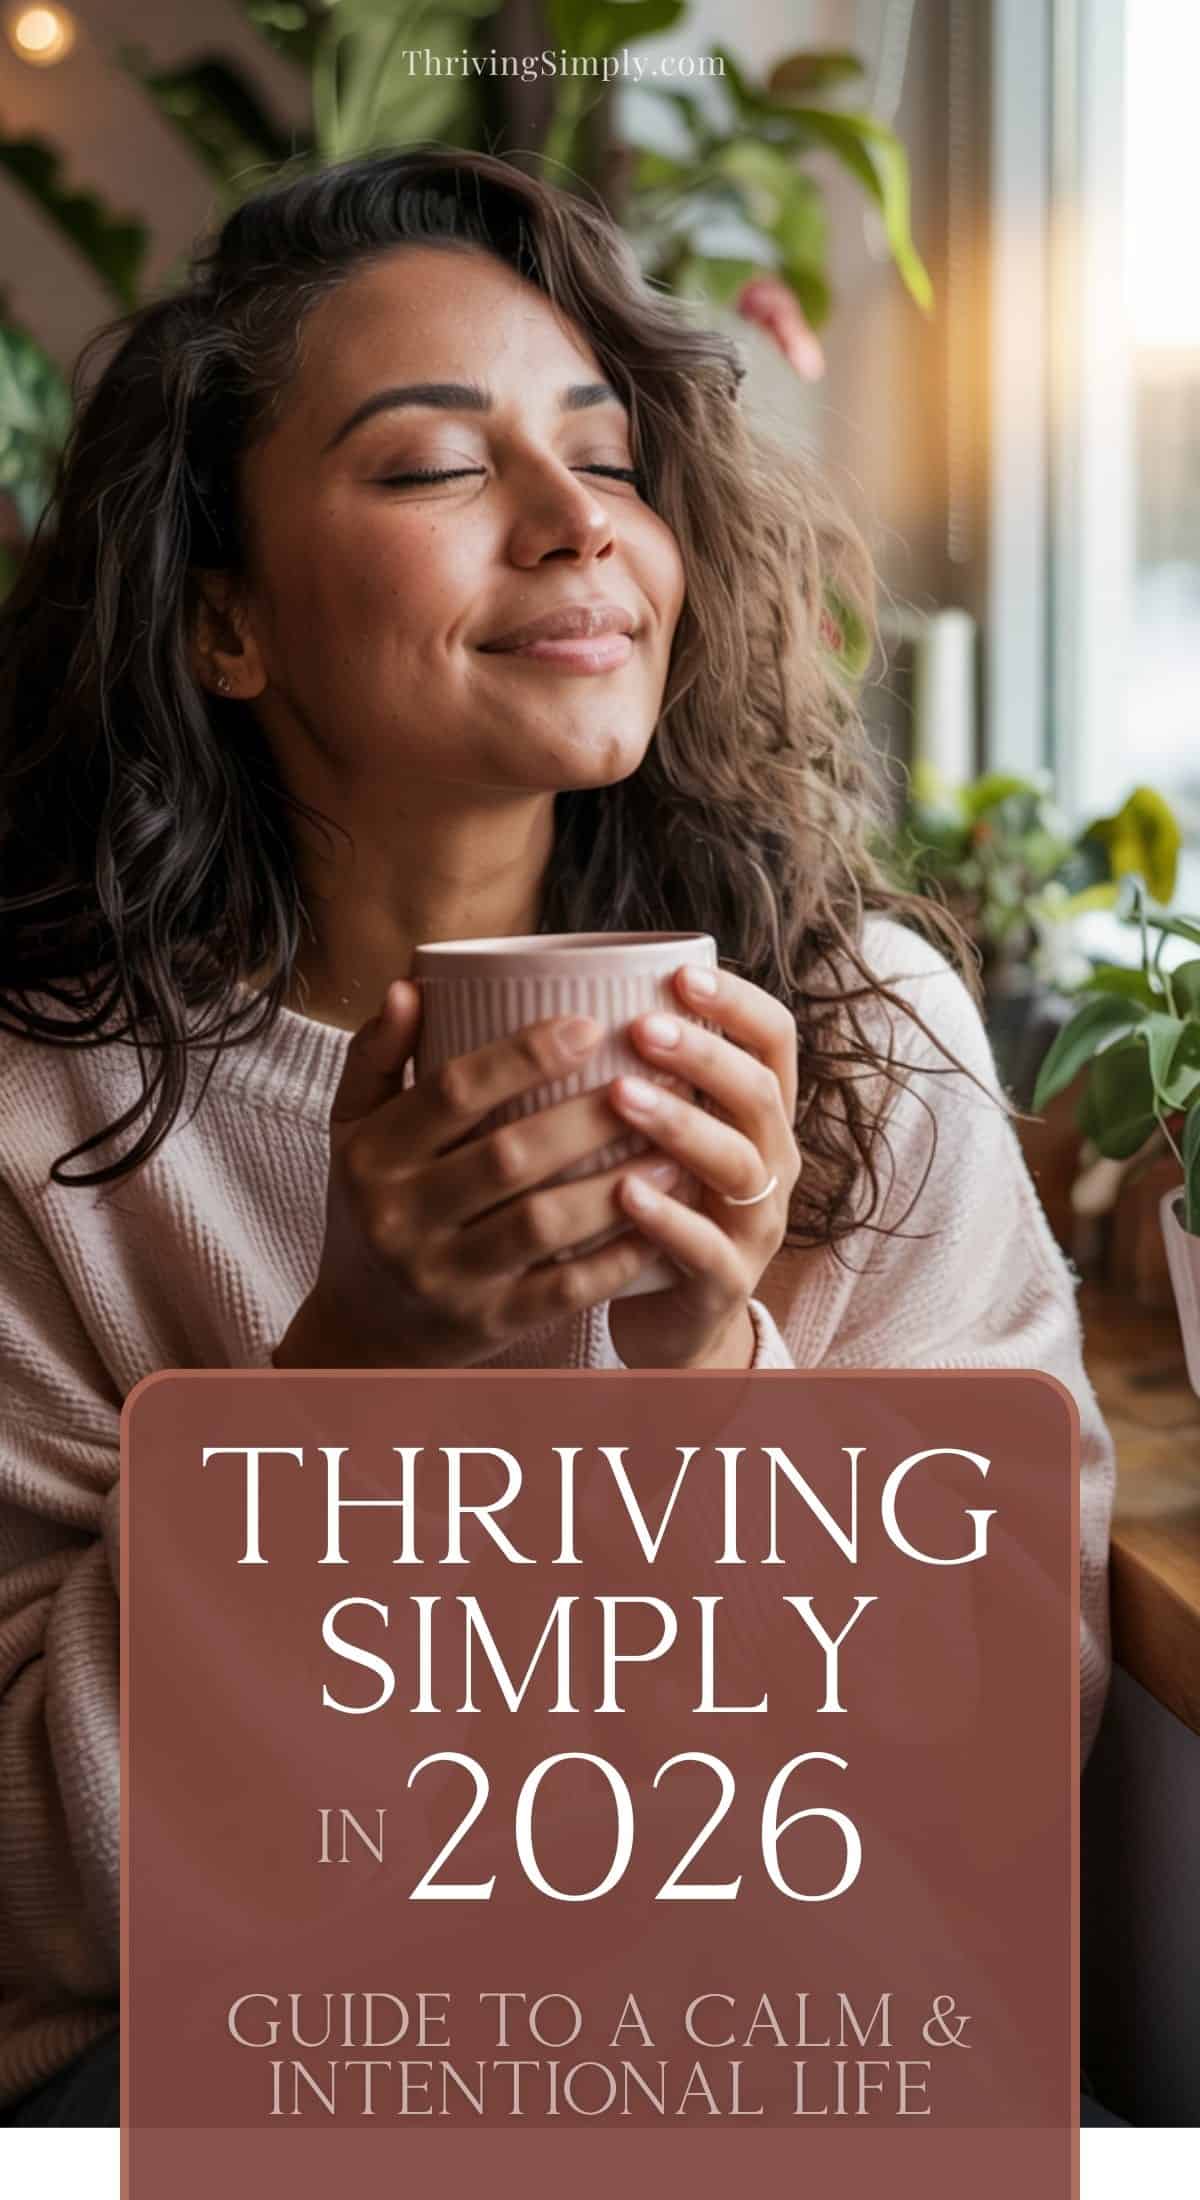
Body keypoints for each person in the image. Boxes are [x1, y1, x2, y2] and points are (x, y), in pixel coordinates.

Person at [0, 146, 1113, 2123]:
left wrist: (717, 1370)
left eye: (607, 459)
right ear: (226, 623)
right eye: (435, 468)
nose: (571, 525)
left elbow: (991, 1754)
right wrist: (351, 1378)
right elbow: (41, 1896)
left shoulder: (862, 1031)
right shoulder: (48, 1116)